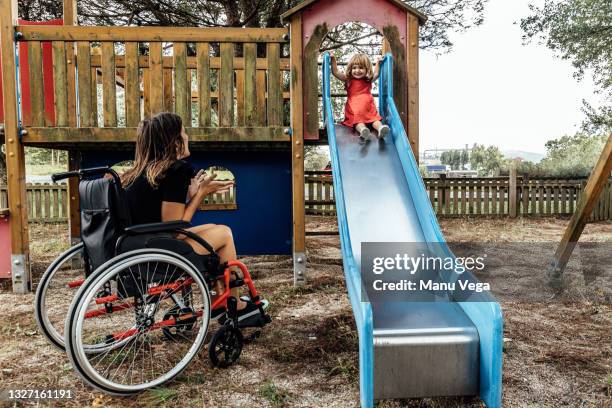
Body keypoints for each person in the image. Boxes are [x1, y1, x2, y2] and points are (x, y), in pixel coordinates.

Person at [121, 112, 267, 321]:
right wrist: (200, 194)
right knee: (224, 235)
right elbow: (174, 229)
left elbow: (154, 213)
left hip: (137, 245)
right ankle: (231, 303)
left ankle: (221, 297)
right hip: (158, 251)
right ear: (174, 141)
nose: (187, 136)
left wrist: (188, 194)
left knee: (214, 227)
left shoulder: (138, 174)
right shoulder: (175, 171)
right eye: (183, 132)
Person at [330, 53, 390, 144]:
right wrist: (378, 63)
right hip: (367, 103)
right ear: (350, 69)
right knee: (374, 119)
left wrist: (333, 59)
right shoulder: (365, 80)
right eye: (354, 68)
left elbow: (336, 72)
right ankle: (380, 128)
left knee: (357, 121)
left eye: (361, 68)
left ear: (367, 69)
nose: (357, 70)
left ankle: (363, 130)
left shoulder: (351, 80)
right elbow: (377, 74)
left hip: (355, 104)